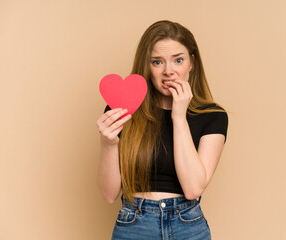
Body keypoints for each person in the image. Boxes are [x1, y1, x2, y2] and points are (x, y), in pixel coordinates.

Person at [96, 20, 228, 240]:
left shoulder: (212, 116)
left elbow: (193, 188)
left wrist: (179, 116)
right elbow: (109, 195)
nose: (169, 72)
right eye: (157, 62)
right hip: (134, 224)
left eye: (178, 60)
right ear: (146, 66)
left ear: (192, 62)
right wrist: (108, 143)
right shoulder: (123, 109)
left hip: (188, 226)